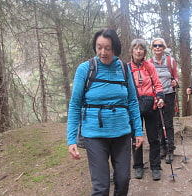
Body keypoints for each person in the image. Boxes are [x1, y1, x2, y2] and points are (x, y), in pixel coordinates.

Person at [67, 29, 144, 196]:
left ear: (115, 48)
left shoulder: (124, 69)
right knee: (101, 186)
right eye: (99, 47)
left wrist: (138, 130)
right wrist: (71, 139)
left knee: (123, 180)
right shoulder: (85, 69)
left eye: (107, 48)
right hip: (95, 135)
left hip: (122, 133)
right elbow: (74, 105)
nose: (103, 52)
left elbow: (132, 101)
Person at [128, 39, 164, 181]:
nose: (138, 51)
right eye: (136, 48)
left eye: (141, 49)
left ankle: (155, 167)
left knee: (154, 138)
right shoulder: (127, 68)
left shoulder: (149, 66)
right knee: (136, 137)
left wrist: (160, 97)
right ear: (131, 51)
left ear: (144, 51)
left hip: (151, 106)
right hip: (134, 107)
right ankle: (138, 166)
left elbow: (158, 84)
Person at [149, 38, 179, 164]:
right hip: (155, 95)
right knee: (157, 122)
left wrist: (175, 82)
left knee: (168, 122)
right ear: (152, 48)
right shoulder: (149, 62)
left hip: (169, 94)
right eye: (155, 45)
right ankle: (162, 147)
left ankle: (170, 147)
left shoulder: (170, 61)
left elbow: (176, 76)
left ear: (163, 47)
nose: (157, 47)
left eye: (160, 45)